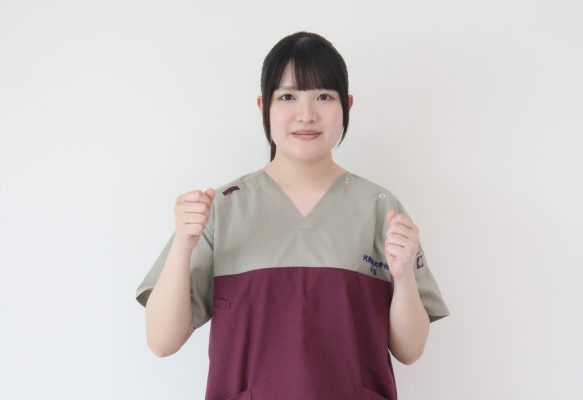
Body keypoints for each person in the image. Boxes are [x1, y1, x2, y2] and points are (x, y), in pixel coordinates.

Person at [135, 31, 449, 400]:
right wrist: (183, 245)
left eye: (324, 96)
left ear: (347, 105)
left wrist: (404, 277)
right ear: (263, 106)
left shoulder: (380, 208)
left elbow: (410, 350)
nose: (306, 114)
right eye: (287, 96)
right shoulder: (221, 209)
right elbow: (162, 341)